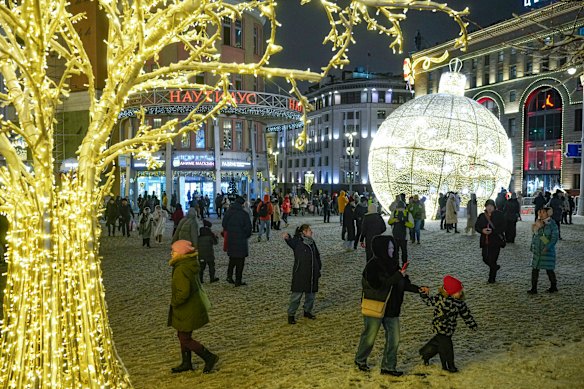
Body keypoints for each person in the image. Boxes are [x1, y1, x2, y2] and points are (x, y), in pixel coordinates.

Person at [354, 235, 428, 376]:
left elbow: (403, 283)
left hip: (392, 308)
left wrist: (418, 289)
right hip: (376, 306)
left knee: (394, 339)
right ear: (382, 249)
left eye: (393, 247)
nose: (393, 250)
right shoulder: (372, 266)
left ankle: (388, 367)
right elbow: (378, 286)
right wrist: (398, 276)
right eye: (389, 248)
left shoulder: (394, 264)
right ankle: (360, 360)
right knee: (369, 337)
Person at [168, 240, 218, 374]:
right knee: (182, 334)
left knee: (184, 337)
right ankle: (186, 362)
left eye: (174, 251)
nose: (171, 253)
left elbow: (183, 292)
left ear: (181, 253)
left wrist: (175, 302)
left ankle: (209, 357)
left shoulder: (181, 268)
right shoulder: (189, 263)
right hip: (193, 305)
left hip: (186, 308)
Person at [419, 275, 477, 373]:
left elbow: (465, 314)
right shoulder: (440, 298)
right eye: (458, 291)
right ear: (451, 292)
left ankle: (425, 353)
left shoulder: (459, 303)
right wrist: (424, 294)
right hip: (440, 327)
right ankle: (449, 367)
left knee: (438, 344)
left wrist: (471, 324)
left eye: (461, 291)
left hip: (450, 328)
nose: (461, 293)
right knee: (447, 347)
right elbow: (429, 302)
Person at [282, 224, 322, 324]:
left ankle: (307, 311)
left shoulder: (312, 242)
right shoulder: (297, 242)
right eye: (309, 230)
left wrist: (318, 267)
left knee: (311, 295)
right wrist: (287, 237)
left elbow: (317, 255)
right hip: (300, 273)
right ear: (303, 232)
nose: (311, 232)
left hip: (312, 272)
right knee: (296, 296)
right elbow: (290, 241)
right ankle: (291, 315)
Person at [528, 207, 559, 294]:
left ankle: (553, 286)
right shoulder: (538, 222)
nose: (540, 214)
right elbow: (535, 235)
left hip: (547, 251)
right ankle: (533, 288)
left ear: (548, 213)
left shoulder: (552, 224)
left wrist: (547, 247)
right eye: (539, 212)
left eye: (543, 212)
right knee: (535, 269)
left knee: (549, 269)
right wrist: (536, 229)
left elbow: (554, 238)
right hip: (537, 249)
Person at [222, 196, 252, 286]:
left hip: (231, 238)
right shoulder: (244, 214)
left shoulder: (229, 212)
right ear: (242, 204)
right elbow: (248, 228)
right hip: (241, 240)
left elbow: (224, 224)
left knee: (232, 259)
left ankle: (229, 276)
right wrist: (245, 235)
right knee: (240, 261)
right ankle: (238, 280)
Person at [474, 199, 506, 284]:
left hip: (496, 241)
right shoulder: (482, 216)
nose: (489, 208)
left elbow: (504, 227)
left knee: (493, 259)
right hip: (485, 241)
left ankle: (491, 278)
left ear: (494, 207)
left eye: (491, 206)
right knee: (485, 258)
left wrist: (493, 231)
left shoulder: (499, 215)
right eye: (488, 206)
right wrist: (482, 230)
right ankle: (495, 267)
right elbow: (476, 226)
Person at [387, 201, 413, 267]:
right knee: (398, 251)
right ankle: (398, 265)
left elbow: (412, 225)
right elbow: (389, 222)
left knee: (403, 251)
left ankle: (403, 265)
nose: (400, 210)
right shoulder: (394, 213)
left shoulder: (407, 214)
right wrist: (395, 220)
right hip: (396, 235)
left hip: (404, 236)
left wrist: (404, 222)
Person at [198, 219, 219, 283]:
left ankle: (200, 279)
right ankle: (212, 278)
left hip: (201, 254)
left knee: (201, 267)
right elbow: (215, 242)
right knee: (211, 266)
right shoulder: (210, 236)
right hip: (209, 253)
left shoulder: (199, 237)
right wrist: (216, 237)